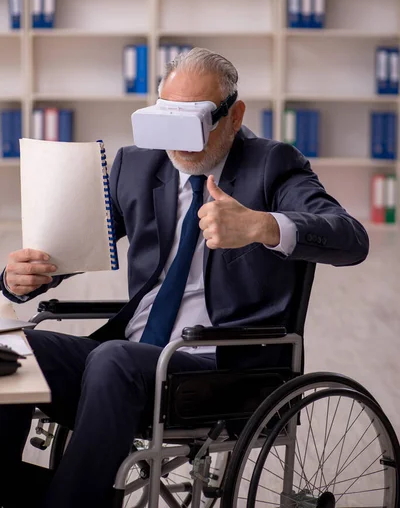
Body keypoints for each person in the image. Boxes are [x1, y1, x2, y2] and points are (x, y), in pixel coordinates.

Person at [0, 48, 369, 508]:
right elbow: (78, 246)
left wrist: (262, 225)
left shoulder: (272, 164)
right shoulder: (137, 164)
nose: (179, 142)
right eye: (168, 120)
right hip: (129, 358)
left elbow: (351, 238)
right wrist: (26, 275)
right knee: (15, 349)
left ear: (234, 116)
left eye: (194, 122)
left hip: (221, 368)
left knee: (113, 360)